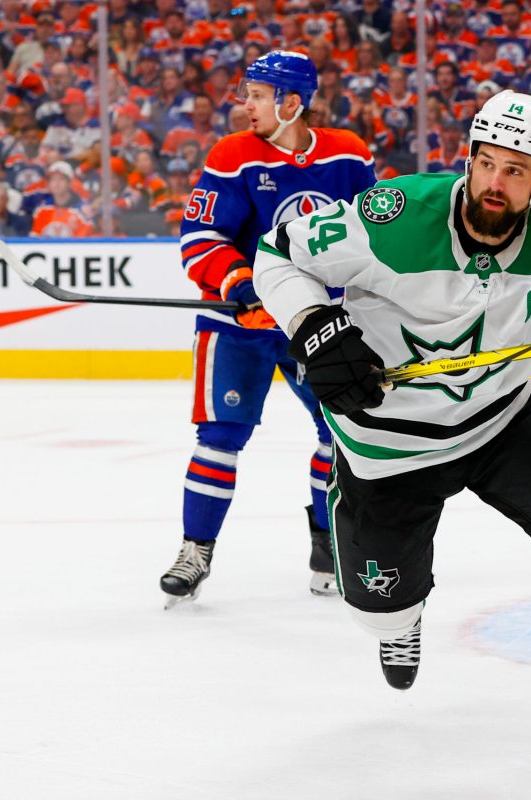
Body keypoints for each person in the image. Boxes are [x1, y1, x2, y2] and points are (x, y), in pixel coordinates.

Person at [252, 90, 531, 759]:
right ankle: (399, 617)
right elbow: (277, 255)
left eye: (516, 171)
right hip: (388, 444)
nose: (495, 182)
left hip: (502, 420)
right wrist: (313, 324)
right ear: (469, 159)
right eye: (487, 164)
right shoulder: (393, 218)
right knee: (380, 611)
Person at [158, 51, 376, 606]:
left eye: (256, 95)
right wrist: (238, 282)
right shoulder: (232, 155)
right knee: (220, 438)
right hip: (240, 326)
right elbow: (200, 237)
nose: (245, 104)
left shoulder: (348, 155)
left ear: (291, 103)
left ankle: (328, 544)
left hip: (313, 322)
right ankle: (195, 550)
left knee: (341, 432)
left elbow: (374, 236)